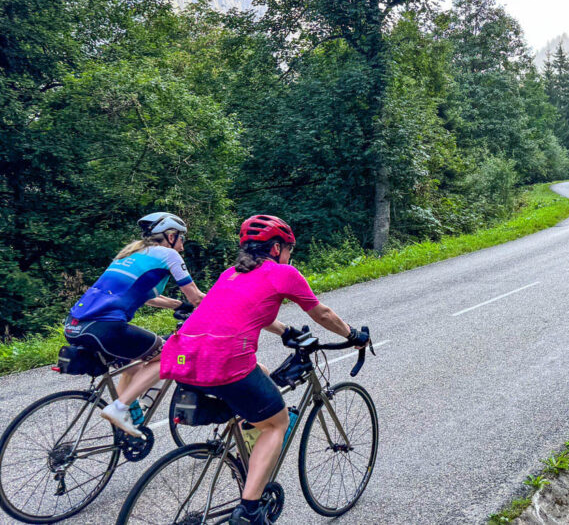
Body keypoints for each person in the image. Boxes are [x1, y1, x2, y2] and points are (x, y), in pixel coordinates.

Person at [160, 214, 369, 525]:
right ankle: (250, 509)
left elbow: (244, 309)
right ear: (275, 249)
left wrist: (285, 330)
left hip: (182, 357)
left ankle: (247, 454)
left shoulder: (229, 274)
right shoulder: (283, 273)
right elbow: (322, 314)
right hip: (226, 360)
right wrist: (353, 335)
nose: (289, 257)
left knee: (261, 375)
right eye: (288, 250)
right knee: (276, 422)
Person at [64, 212, 206, 437]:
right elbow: (197, 298)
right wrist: (222, 308)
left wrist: (178, 305)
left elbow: (148, 297)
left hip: (75, 326)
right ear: (170, 236)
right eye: (181, 238)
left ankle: (124, 428)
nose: (182, 245)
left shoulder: (130, 254)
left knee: (137, 365)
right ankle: (119, 408)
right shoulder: (168, 255)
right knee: (169, 353)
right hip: (106, 328)